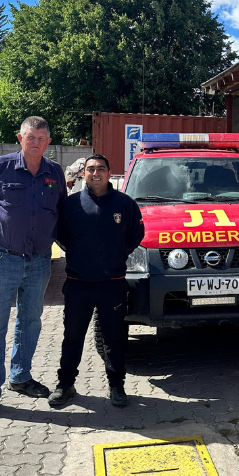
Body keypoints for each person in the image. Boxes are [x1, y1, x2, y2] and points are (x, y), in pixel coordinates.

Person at [0, 116, 67, 426]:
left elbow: (61, 214)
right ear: (19, 138)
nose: (36, 142)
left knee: (31, 321)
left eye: (41, 138)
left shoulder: (55, 173)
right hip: (3, 259)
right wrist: (5, 235)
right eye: (30, 137)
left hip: (39, 261)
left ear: (48, 142)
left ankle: (20, 377)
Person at [48, 154, 145, 409]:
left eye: (101, 168)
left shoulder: (125, 204)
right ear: (84, 174)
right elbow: (61, 235)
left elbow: (136, 234)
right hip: (78, 283)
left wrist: (117, 253)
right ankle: (65, 385)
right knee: (73, 337)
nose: (95, 173)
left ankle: (117, 386)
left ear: (109, 172)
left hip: (112, 283)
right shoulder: (70, 205)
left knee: (114, 338)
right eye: (90, 169)